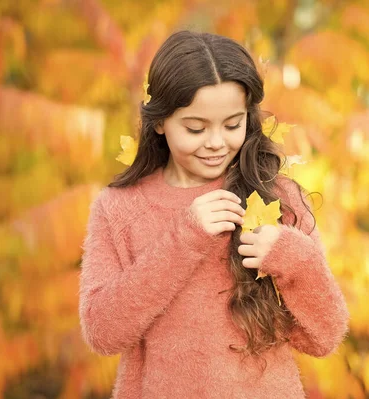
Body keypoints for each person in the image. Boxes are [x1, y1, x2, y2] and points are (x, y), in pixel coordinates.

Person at [79, 30, 349, 398]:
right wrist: (182, 240)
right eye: (195, 128)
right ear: (159, 122)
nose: (216, 143)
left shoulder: (277, 198)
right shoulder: (120, 207)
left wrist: (294, 258)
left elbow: (324, 337)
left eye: (233, 124)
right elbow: (103, 333)